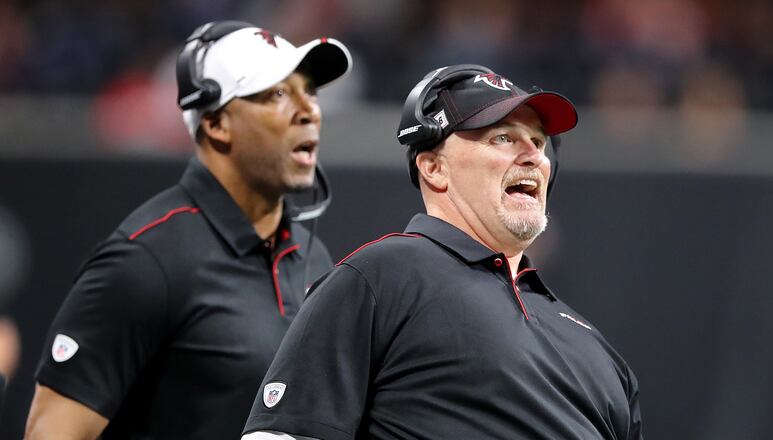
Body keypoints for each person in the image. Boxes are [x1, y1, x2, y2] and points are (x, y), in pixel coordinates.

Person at [242, 64, 643, 439]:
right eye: (502, 137)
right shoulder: (382, 277)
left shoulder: (595, 348)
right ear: (433, 168)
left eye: (538, 142)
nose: (534, 156)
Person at [24, 20, 352, 440]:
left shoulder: (311, 255)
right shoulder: (146, 261)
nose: (309, 110)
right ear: (216, 124)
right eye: (278, 94)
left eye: (310, 91)